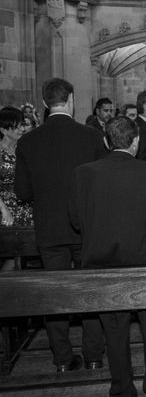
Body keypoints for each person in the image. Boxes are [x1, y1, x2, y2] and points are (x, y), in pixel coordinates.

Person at [69, 116, 146, 397]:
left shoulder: (83, 174)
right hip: (144, 263)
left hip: (102, 265)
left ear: (106, 141)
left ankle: (122, 394)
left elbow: (76, 221)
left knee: (114, 336)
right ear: (136, 141)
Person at [14, 78, 105, 372]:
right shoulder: (90, 136)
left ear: (44, 104)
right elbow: (101, 185)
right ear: (71, 100)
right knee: (89, 292)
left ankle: (63, 359)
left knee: (55, 296)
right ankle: (93, 355)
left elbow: (22, 193)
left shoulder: (28, 141)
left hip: (49, 230)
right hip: (86, 227)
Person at [0, 107, 33, 227]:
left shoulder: (25, 149)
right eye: (16, 126)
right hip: (6, 213)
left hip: (29, 209)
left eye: (22, 125)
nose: (22, 129)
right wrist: (4, 210)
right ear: (4, 130)